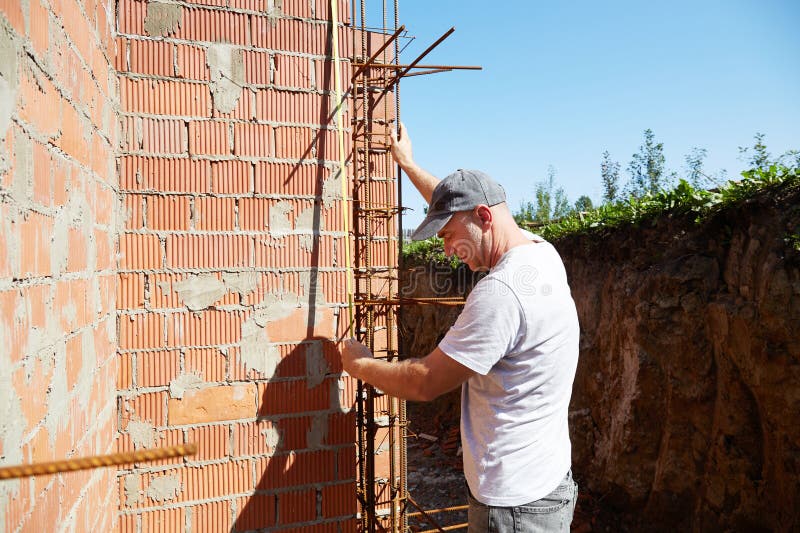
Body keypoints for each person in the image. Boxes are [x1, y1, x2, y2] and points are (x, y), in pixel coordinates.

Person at [339, 123, 580, 533]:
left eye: (449, 237)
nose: (448, 250)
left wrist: (360, 364)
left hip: (513, 508)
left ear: (485, 217)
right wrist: (408, 164)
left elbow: (424, 382)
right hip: (547, 482)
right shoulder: (541, 254)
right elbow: (461, 205)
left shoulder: (500, 294)